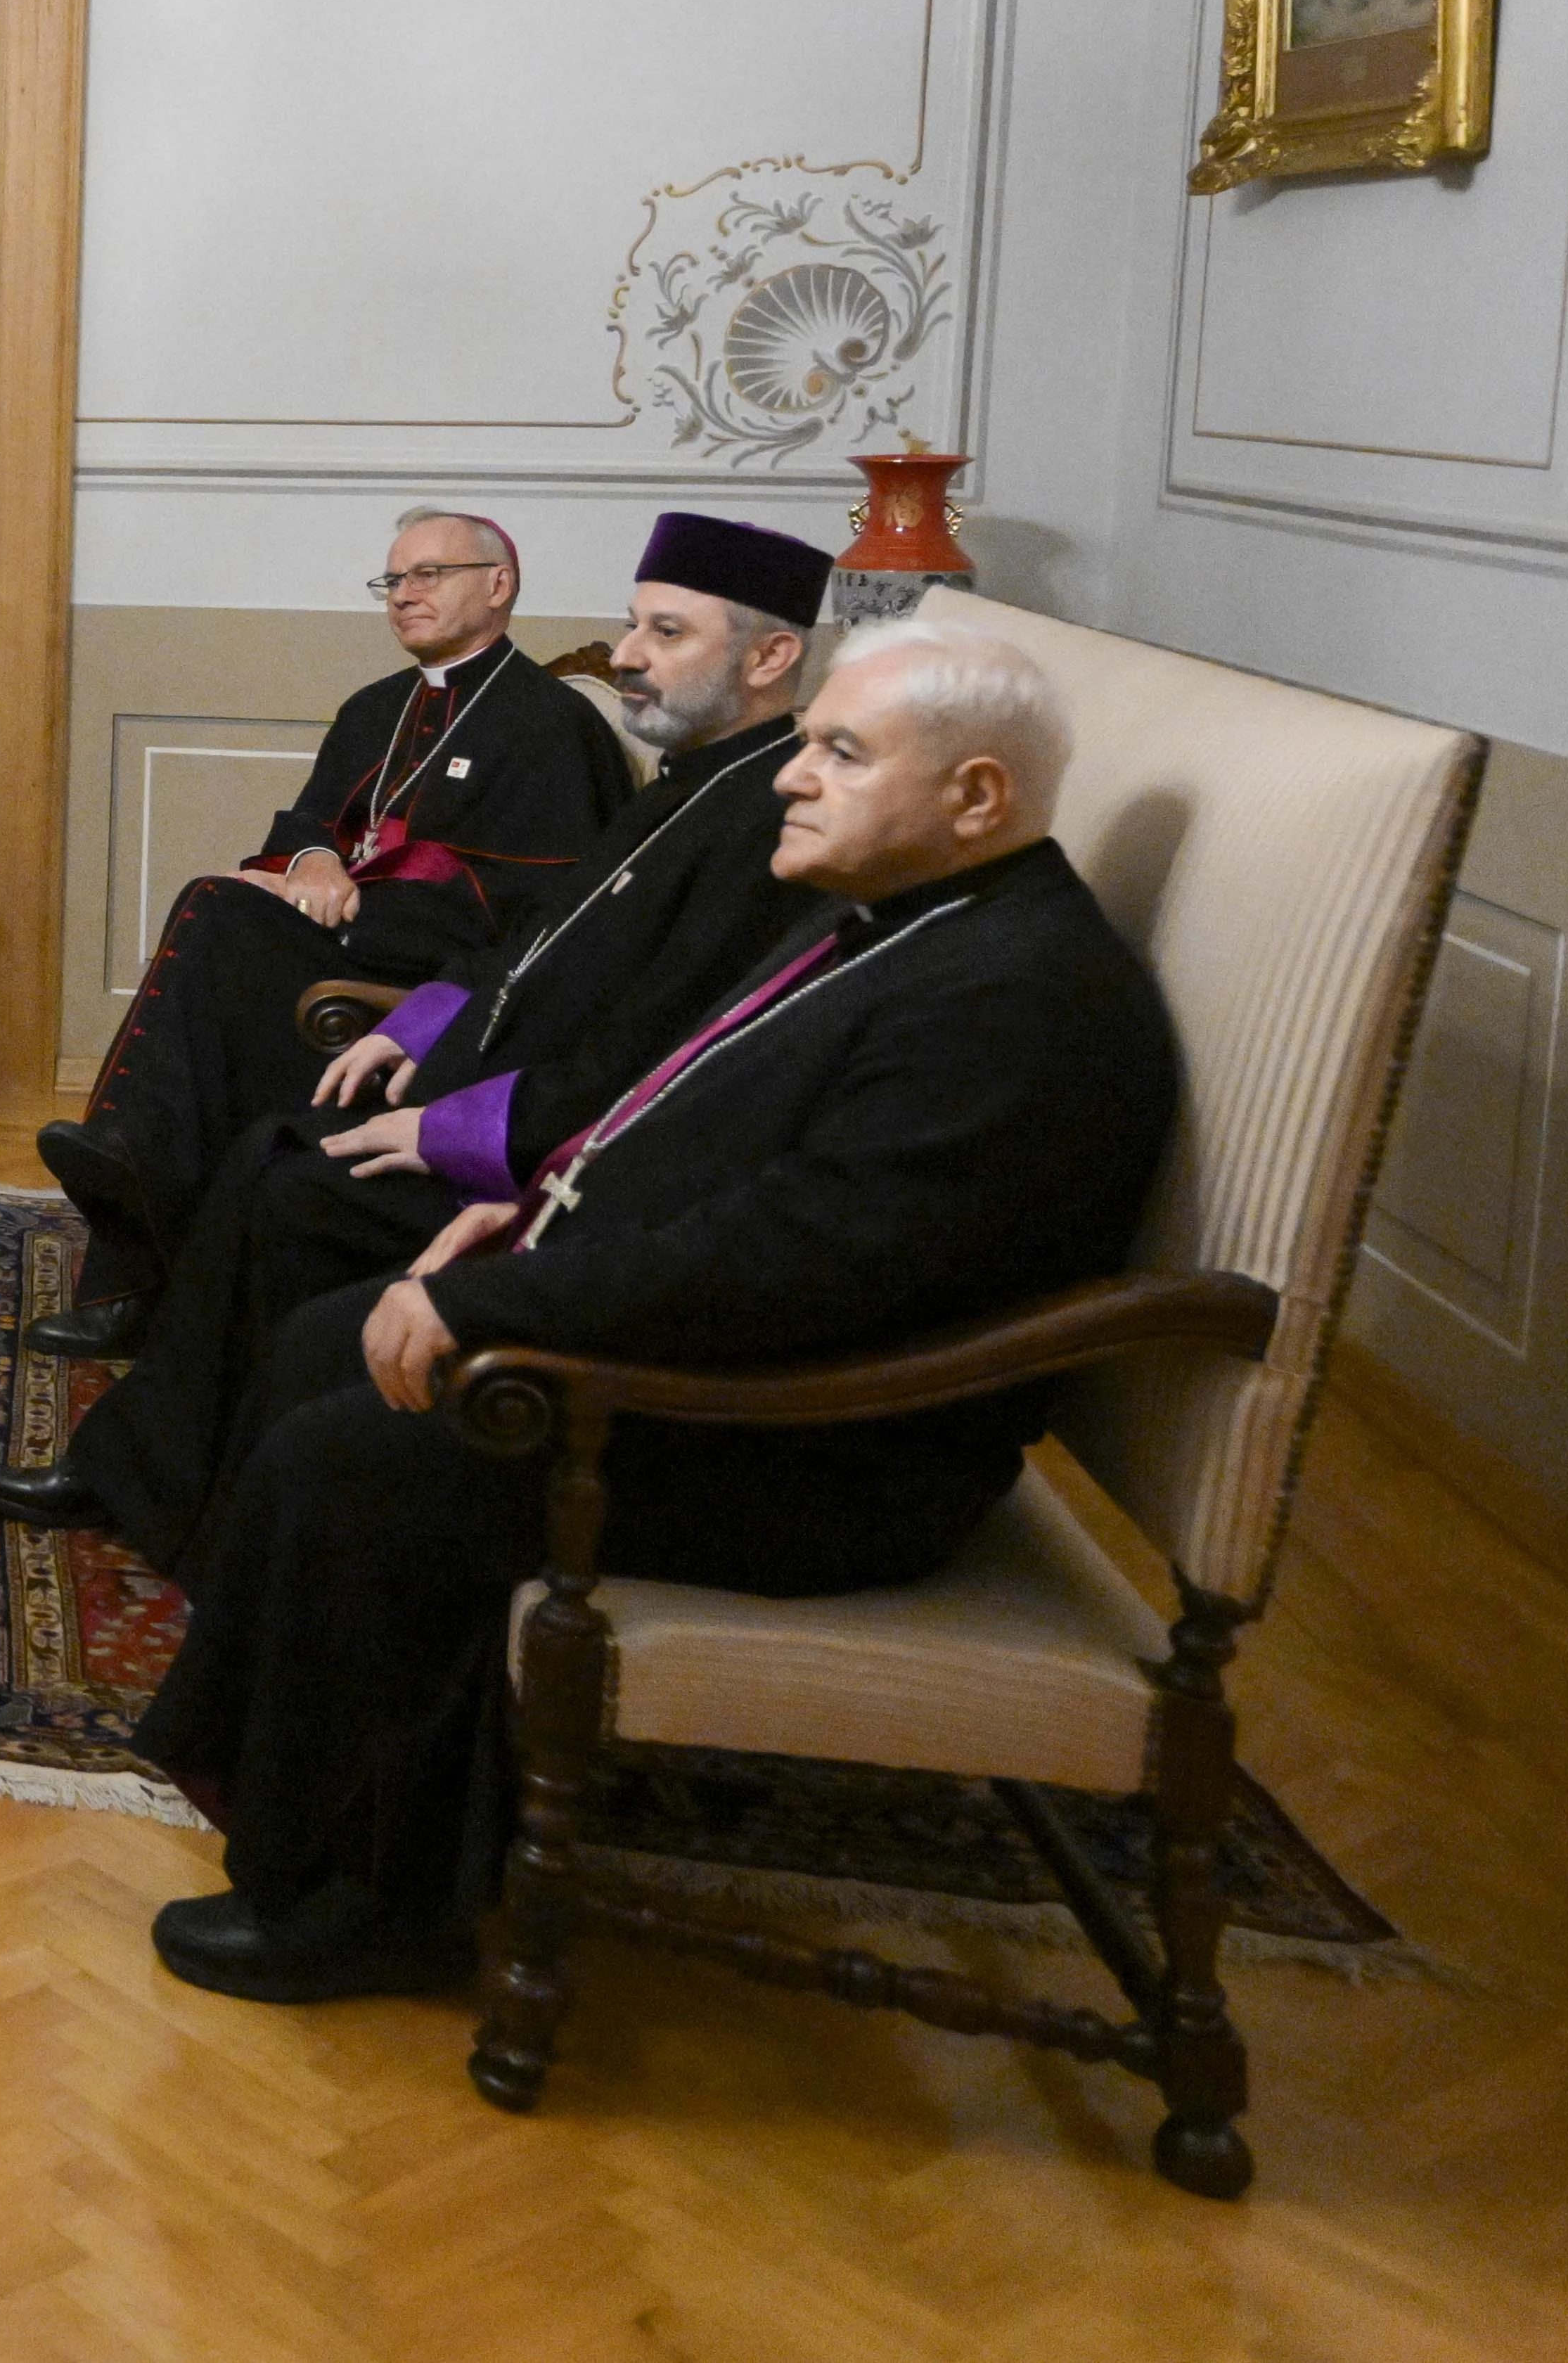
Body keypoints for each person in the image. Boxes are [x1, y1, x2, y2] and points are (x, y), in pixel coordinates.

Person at [128, 622, 1180, 2003]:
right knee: (334, 1338)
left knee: (360, 1462)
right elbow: (705, 1128)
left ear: (977, 795)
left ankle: (365, 1901)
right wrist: (526, 1204)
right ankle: (331, 1803)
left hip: (830, 1450)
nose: (792, 779)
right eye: (806, 743)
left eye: (840, 752)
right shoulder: (921, 919)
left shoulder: (1019, 996)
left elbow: (807, 1260)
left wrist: (505, 1297)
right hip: (751, 1363)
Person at [0, 512, 837, 1554]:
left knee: (284, 1172)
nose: (622, 657)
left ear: (773, 654)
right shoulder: (683, 782)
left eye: (663, 633)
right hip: (464, 1041)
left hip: (545, 1138)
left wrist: (450, 1126)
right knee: (269, 1126)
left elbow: (647, 1051)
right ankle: (171, 1457)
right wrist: (418, 1016)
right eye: (630, 626)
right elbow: (539, 941)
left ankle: (188, 1477)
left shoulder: (754, 815)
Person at [36, 506, 634, 1349]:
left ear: (498, 586)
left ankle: (133, 1179)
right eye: (393, 580)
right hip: (338, 940)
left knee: (217, 916)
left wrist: (368, 902)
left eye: (429, 575)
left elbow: (544, 907)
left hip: (434, 975)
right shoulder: (374, 708)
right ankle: (137, 1204)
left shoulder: (550, 724)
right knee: (219, 914)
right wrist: (315, 861)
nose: (403, 595)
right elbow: (309, 821)